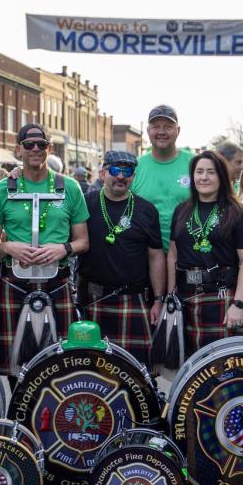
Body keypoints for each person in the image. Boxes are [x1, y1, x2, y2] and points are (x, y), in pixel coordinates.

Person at [0, 123, 89, 373]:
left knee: (60, 364)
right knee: (14, 367)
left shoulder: (70, 188)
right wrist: (9, 246)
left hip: (57, 281)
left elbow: (83, 241)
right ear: (18, 150)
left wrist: (63, 249)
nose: (35, 149)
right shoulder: (2, 191)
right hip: (14, 282)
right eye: (28, 144)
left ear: (49, 148)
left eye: (41, 144)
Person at [163, 150, 243, 357]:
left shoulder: (238, 213)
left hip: (223, 298)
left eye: (211, 172)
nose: (203, 177)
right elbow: (172, 255)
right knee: (189, 369)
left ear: (222, 177)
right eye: (199, 172)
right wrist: (170, 297)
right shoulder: (182, 211)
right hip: (186, 298)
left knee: (226, 367)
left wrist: (239, 304)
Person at [78, 150, 165, 365]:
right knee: (90, 369)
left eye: (128, 171)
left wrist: (158, 299)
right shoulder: (85, 204)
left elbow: (156, 256)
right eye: (115, 170)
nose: (121, 176)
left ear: (133, 176)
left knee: (136, 371)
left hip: (133, 299)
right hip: (92, 299)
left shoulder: (146, 210)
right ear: (102, 174)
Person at [132, 105, 193, 250]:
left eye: (168, 126)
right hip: (145, 253)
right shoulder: (136, 166)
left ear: (178, 130)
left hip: (188, 252)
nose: (161, 131)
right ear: (148, 131)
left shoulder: (195, 164)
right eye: (155, 126)